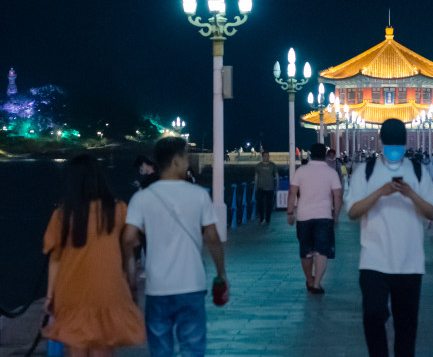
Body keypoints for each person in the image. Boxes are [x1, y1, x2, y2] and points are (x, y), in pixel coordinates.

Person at [122, 137, 228, 357]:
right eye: (186, 157)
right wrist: (221, 274)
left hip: (157, 287)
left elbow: (128, 238)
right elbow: (213, 237)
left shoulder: (141, 198)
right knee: (192, 348)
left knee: (161, 350)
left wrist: (129, 276)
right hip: (191, 285)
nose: (188, 163)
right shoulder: (198, 195)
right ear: (176, 161)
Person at [346, 118, 433, 357]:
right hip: (373, 261)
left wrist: (410, 194)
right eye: (390, 144)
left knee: (406, 325)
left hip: (410, 263)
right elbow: (353, 213)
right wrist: (380, 192)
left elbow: (432, 211)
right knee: (373, 314)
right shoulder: (366, 171)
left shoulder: (417, 171)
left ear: (405, 143)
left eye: (398, 144)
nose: (394, 149)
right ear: (381, 142)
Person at [42, 154, 145, 357]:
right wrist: (131, 285)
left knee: (77, 347)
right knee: (103, 346)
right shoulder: (118, 210)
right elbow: (129, 252)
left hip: (71, 292)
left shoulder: (62, 215)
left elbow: (55, 259)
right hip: (108, 290)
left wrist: (49, 296)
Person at [286, 143, 343, 294]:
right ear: (325, 155)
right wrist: (336, 215)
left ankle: (309, 279)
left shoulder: (301, 171)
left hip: (304, 216)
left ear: (310, 154)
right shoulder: (331, 173)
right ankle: (317, 283)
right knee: (322, 251)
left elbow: (292, 193)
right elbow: (338, 195)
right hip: (324, 216)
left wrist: (290, 212)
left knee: (306, 251)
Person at [254, 150, 278, 224]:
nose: (267, 157)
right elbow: (256, 177)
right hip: (260, 187)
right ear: (262, 156)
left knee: (269, 204)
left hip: (270, 188)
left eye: (268, 156)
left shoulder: (273, 165)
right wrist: (255, 187)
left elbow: (276, 175)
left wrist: (277, 186)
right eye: (265, 156)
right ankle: (261, 218)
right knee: (260, 203)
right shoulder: (258, 166)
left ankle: (268, 218)